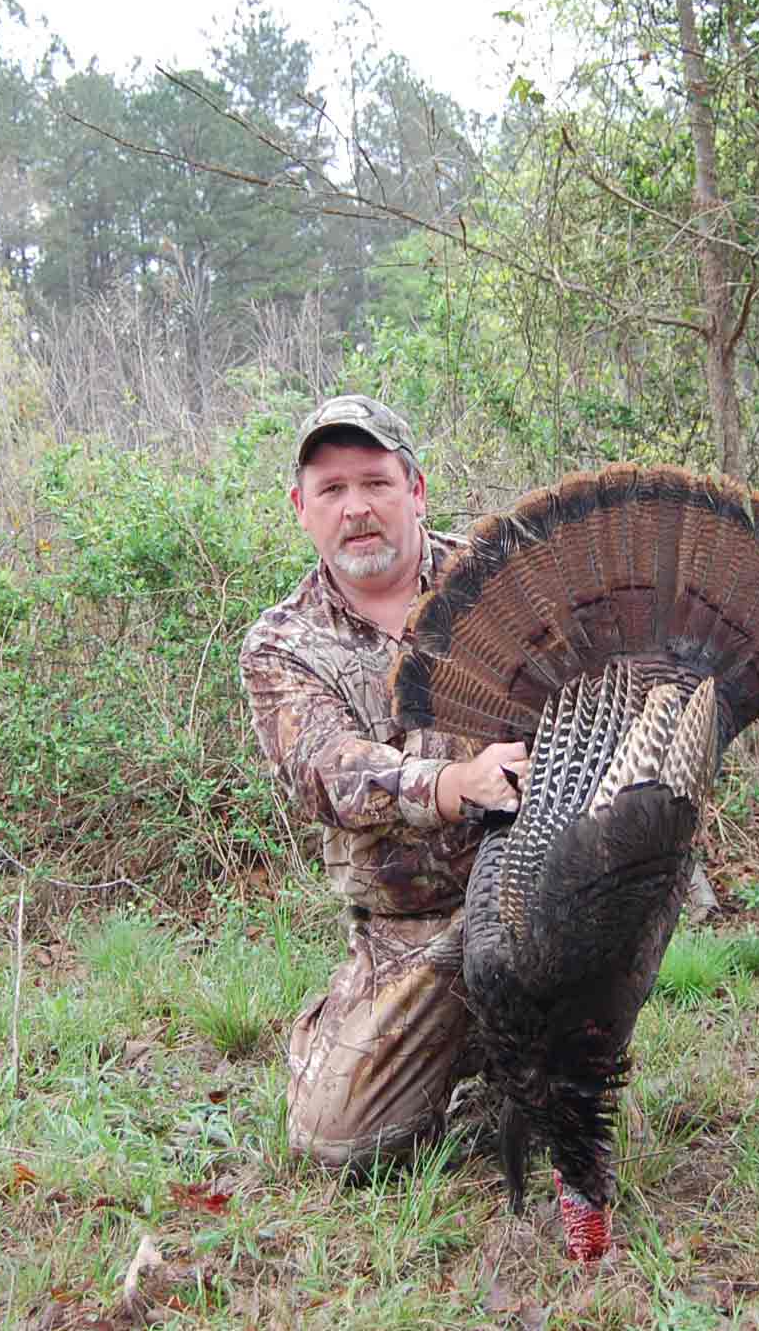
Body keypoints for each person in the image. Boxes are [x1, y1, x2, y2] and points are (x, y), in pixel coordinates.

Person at [240, 394, 527, 1174]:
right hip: (414, 928)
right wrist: (455, 782)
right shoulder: (285, 642)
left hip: (540, 892)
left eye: (375, 482)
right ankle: (363, 1030)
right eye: (331, 491)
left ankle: (540, 1058)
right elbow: (325, 772)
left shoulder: (501, 580)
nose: (356, 508)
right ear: (302, 509)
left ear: (417, 490)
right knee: (338, 1140)